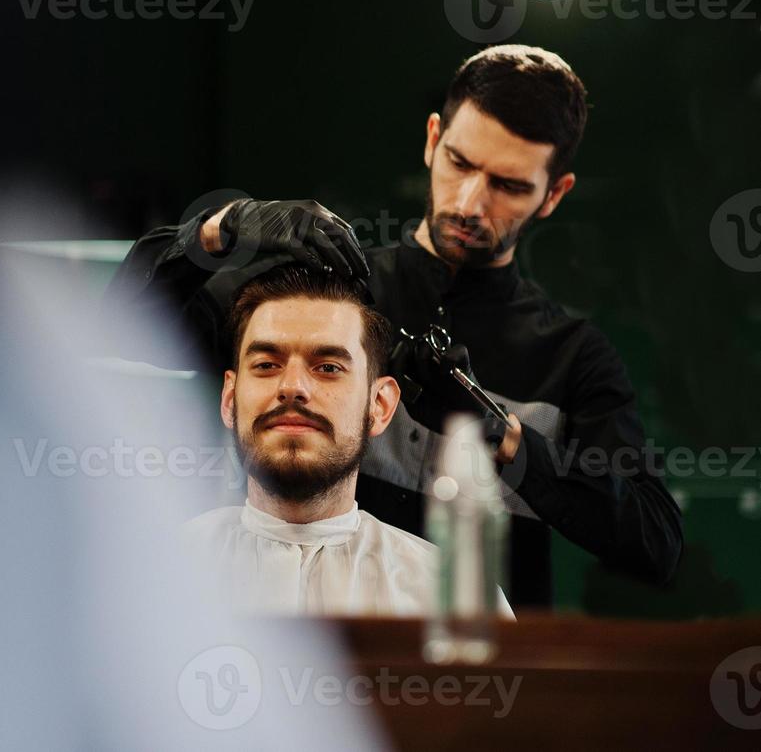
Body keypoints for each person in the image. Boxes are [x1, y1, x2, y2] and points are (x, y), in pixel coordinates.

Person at [109, 44, 682, 606]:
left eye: (508, 185)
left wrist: (504, 439)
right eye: (460, 163)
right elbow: (120, 318)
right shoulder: (324, 300)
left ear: (554, 194)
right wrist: (226, 227)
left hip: (481, 672)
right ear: (434, 140)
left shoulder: (572, 358)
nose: (470, 202)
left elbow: (656, 543)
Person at [181, 263, 515, 617]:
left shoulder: (453, 600)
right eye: (266, 365)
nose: (292, 387)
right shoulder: (147, 576)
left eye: (327, 367)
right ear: (230, 398)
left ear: (380, 405)